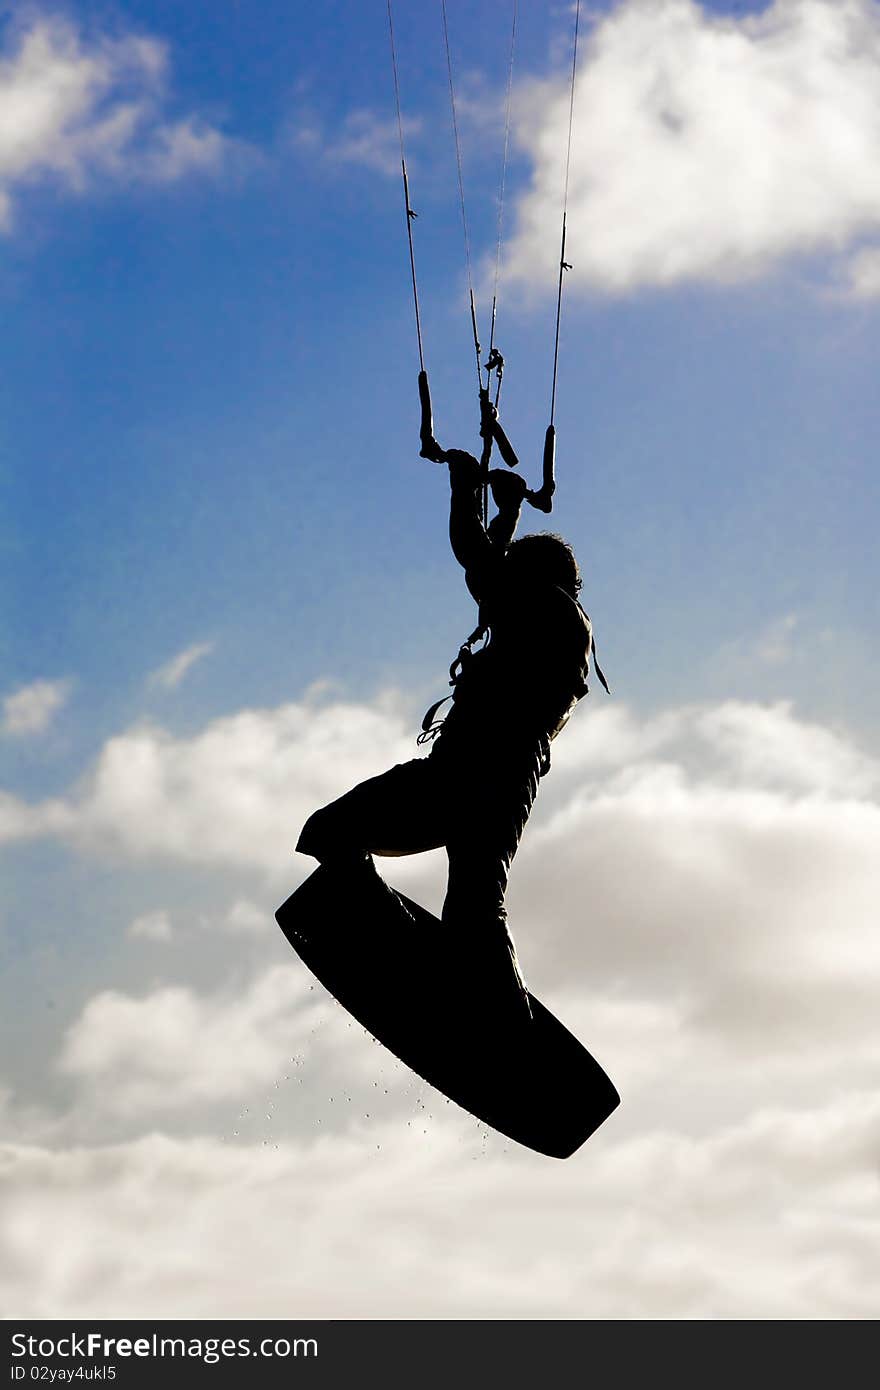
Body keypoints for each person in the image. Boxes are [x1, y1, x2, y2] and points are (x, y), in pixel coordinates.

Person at [296, 446, 606, 1019]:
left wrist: (465, 483)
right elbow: (489, 569)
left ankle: (501, 1026)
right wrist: (508, 508)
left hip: (481, 778)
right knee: (347, 840)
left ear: (532, 576)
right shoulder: (549, 617)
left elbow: (475, 556)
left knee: (456, 903)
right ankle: (407, 960)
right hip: (476, 779)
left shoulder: (546, 610)